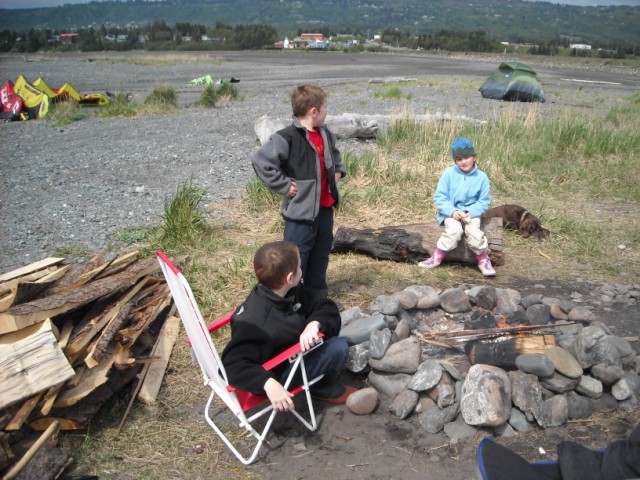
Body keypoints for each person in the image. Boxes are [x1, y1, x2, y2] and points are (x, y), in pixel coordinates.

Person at [221, 240, 356, 412]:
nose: (302, 270)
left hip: (290, 350)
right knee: (338, 348)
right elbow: (232, 365)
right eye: (299, 266)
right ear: (290, 278)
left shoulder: (286, 291)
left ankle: (316, 378)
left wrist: (313, 324)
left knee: (329, 320)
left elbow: (325, 306)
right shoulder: (256, 324)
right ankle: (320, 386)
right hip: (277, 374)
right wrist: (268, 383)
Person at [251, 84, 346, 298]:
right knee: (295, 259)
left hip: (324, 210)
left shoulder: (326, 134)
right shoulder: (287, 137)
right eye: (325, 108)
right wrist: (283, 185)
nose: (326, 112)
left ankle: (317, 298)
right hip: (299, 217)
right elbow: (260, 161)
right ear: (314, 112)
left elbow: (336, 156)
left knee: (321, 255)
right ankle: (290, 300)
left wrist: (338, 172)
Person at [418, 137, 496, 277]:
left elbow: (484, 201)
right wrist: (451, 211)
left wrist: (471, 212)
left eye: (467, 157)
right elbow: (440, 198)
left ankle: (483, 259)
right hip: (452, 212)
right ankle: (437, 257)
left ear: (474, 157)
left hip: (471, 214)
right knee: (454, 231)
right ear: (455, 161)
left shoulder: (482, 177)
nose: (464, 162)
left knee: (474, 233)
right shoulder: (448, 174)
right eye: (459, 159)